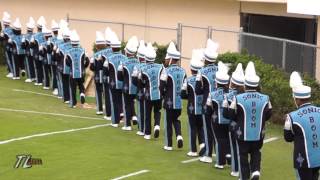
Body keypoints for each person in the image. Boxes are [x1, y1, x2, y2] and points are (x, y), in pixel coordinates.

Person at [228, 61, 272, 180]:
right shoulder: (266, 98)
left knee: (242, 155)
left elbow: (231, 114)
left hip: (242, 133)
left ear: (245, 84)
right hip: (258, 133)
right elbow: (269, 114)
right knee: (256, 151)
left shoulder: (237, 98)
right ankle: (256, 170)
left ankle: (244, 177)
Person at [284, 71, 320, 180]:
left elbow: (288, 138)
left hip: (302, 160)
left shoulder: (291, 117)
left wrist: (287, 124)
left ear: (298, 99)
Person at [196, 39, 219, 163]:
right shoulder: (220, 69)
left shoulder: (202, 72)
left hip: (207, 104)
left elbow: (197, 90)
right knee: (220, 130)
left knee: (208, 130)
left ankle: (209, 155)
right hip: (220, 103)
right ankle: (222, 156)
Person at [160, 41, 186, 150]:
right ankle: (179, 136)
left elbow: (161, 86)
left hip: (169, 101)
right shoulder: (183, 71)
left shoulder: (166, 71)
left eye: (167, 58)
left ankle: (169, 144)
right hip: (179, 102)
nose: (165, 60)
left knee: (168, 122)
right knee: (177, 119)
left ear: (170, 59)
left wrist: (163, 95)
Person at [206, 61, 231, 169]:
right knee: (228, 139)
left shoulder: (212, 94)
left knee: (219, 140)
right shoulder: (231, 94)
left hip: (217, 120)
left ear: (217, 82)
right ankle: (229, 155)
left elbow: (208, 109)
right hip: (229, 121)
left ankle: (220, 162)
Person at [222, 63, 245, 177]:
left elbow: (225, 114)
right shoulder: (246, 95)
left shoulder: (228, 96)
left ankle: (235, 170)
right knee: (244, 150)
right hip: (246, 126)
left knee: (234, 148)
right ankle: (245, 170)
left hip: (233, 125)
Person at [181, 49, 205, 157]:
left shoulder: (188, 80)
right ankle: (203, 145)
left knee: (193, 128)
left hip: (192, 108)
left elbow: (182, 94)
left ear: (191, 69)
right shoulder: (204, 80)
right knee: (201, 127)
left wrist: (189, 97)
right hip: (202, 109)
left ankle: (193, 150)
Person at [138, 43, 164, 140]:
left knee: (147, 114)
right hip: (159, 93)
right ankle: (157, 125)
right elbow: (163, 79)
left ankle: (147, 134)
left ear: (145, 58)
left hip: (148, 94)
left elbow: (140, 83)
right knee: (157, 111)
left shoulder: (143, 68)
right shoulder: (161, 67)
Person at [103, 31, 127, 127]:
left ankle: (115, 121)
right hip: (123, 83)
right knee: (122, 100)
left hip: (113, 83)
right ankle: (122, 115)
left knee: (114, 101)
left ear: (112, 48)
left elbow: (105, 71)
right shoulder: (125, 58)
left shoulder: (108, 58)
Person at [118, 36, 139, 131]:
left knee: (126, 105)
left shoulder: (123, 62)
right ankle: (134, 117)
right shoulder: (139, 62)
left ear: (127, 52)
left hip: (126, 87)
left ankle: (127, 125)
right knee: (132, 102)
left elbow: (119, 76)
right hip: (136, 87)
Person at [90, 31, 112, 117]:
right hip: (108, 77)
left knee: (99, 93)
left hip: (98, 77)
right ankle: (108, 110)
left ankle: (99, 109)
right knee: (106, 95)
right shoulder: (110, 52)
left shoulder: (95, 55)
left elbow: (92, 68)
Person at [65, 30, 89, 107]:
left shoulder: (69, 52)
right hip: (81, 72)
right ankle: (82, 93)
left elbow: (67, 63)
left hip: (73, 73)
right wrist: (83, 67)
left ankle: (74, 103)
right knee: (81, 84)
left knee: (73, 88)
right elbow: (87, 61)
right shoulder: (83, 51)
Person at [132, 40, 147, 136]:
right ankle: (147, 128)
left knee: (140, 110)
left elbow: (134, 80)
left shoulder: (137, 67)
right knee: (148, 111)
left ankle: (142, 129)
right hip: (150, 92)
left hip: (140, 91)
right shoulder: (151, 65)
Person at [56, 24, 72, 104]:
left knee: (65, 83)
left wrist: (55, 52)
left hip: (63, 67)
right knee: (71, 83)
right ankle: (72, 98)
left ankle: (66, 98)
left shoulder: (61, 46)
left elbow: (57, 58)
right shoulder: (75, 46)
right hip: (72, 68)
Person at [30, 16, 46, 86]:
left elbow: (31, 46)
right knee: (42, 68)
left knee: (37, 68)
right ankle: (43, 79)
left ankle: (39, 81)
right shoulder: (47, 34)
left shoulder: (35, 35)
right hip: (44, 54)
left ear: (38, 27)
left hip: (36, 53)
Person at [21, 17, 36, 83]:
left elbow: (23, 46)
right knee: (33, 64)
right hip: (34, 53)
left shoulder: (25, 36)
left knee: (28, 65)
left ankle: (30, 77)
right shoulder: (34, 35)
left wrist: (22, 42)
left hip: (28, 52)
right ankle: (35, 76)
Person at [0, 12, 14, 78]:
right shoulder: (12, 29)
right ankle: (13, 71)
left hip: (7, 46)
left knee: (9, 59)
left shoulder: (4, 31)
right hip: (12, 46)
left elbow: (1, 39)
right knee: (12, 58)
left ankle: (11, 72)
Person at [39, 25, 52, 89]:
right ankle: (55, 86)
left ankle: (47, 85)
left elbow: (42, 54)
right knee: (52, 74)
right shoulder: (54, 42)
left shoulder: (43, 44)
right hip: (52, 61)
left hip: (46, 60)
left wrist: (40, 50)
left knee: (46, 73)